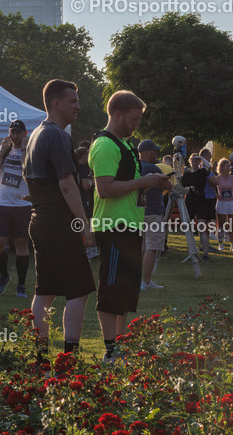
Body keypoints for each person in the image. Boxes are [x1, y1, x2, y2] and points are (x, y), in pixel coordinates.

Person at [88, 91, 171, 364]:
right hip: (113, 227)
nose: (137, 124)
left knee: (124, 293)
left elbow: (127, 185)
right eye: (134, 119)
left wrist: (154, 181)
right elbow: (105, 188)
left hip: (129, 227)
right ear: (118, 113)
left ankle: (120, 347)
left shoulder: (123, 145)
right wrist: (143, 182)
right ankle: (110, 350)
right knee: (111, 291)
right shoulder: (105, 145)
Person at [24, 79, 95, 358]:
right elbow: (68, 184)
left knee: (46, 290)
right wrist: (83, 224)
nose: (78, 106)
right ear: (56, 103)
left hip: (39, 220)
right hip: (58, 222)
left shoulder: (35, 134)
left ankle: (40, 356)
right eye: (73, 101)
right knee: (79, 290)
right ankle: (69, 357)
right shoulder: (58, 135)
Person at [0, 120, 33, 297]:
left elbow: (27, 173)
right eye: (12, 132)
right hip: (2, 203)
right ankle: (4, 276)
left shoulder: (29, 150)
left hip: (22, 204)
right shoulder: (4, 148)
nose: (14, 136)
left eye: (17, 133)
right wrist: (2, 151)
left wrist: (23, 151)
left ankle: (21, 285)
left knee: (21, 244)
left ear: (24, 134)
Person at [137, 140, 166, 290]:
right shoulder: (153, 168)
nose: (156, 154)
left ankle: (141, 280)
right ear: (147, 152)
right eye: (154, 151)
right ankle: (146, 281)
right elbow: (168, 185)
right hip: (153, 211)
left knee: (143, 247)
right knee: (152, 246)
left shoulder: (135, 167)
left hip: (138, 211)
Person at [214, 158, 233, 250]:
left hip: (231, 203)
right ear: (222, 167)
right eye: (227, 166)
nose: (229, 168)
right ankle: (220, 244)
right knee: (221, 224)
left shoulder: (232, 177)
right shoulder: (217, 178)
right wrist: (217, 195)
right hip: (221, 203)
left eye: (230, 166)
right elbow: (211, 189)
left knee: (232, 224)